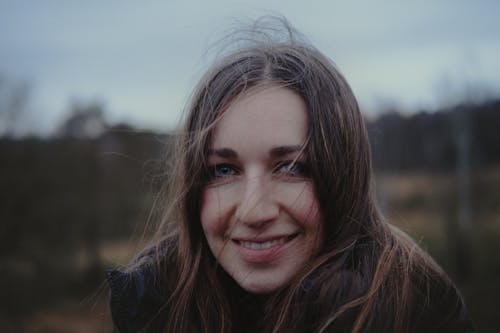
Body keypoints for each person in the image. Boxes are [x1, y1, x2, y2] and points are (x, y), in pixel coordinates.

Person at [106, 17, 474, 333]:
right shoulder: (155, 306)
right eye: (223, 170)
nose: (253, 212)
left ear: (343, 175)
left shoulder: (419, 309)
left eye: (291, 167)